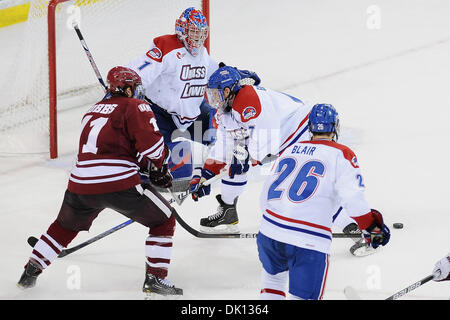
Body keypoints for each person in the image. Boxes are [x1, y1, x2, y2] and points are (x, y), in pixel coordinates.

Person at [17, 66, 182, 297]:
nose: (136, 92)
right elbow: (152, 147)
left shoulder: (92, 111)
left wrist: (144, 166)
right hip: (119, 183)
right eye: (134, 88)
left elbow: (108, 150)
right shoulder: (135, 106)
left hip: (80, 183)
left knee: (63, 227)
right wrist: (159, 167)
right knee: (164, 220)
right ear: (126, 88)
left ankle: (29, 274)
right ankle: (155, 279)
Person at [256, 103, 390, 300]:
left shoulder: (291, 148)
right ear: (335, 127)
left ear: (310, 127)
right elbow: (353, 199)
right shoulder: (341, 154)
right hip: (307, 241)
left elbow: (265, 196)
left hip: (269, 233)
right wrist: (371, 227)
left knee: (273, 284)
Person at [127, 7, 260, 189]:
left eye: (201, 33)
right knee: (152, 163)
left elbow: (217, 72)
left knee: (222, 135)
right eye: (193, 32)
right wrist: (124, 87)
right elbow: (139, 71)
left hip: (191, 117)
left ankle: (242, 151)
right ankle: (144, 182)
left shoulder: (202, 53)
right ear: (182, 30)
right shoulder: (166, 46)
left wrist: (236, 73)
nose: (197, 38)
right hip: (159, 116)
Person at [189, 65, 312, 232]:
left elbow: (266, 143)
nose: (213, 100)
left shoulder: (248, 100)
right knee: (236, 161)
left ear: (227, 91)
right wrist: (207, 174)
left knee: (284, 184)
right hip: (281, 134)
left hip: (301, 126)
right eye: (210, 94)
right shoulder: (224, 111)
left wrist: (244, 158)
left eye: (215, 94)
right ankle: (228, 209)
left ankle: (332, 218)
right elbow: (224, 146)